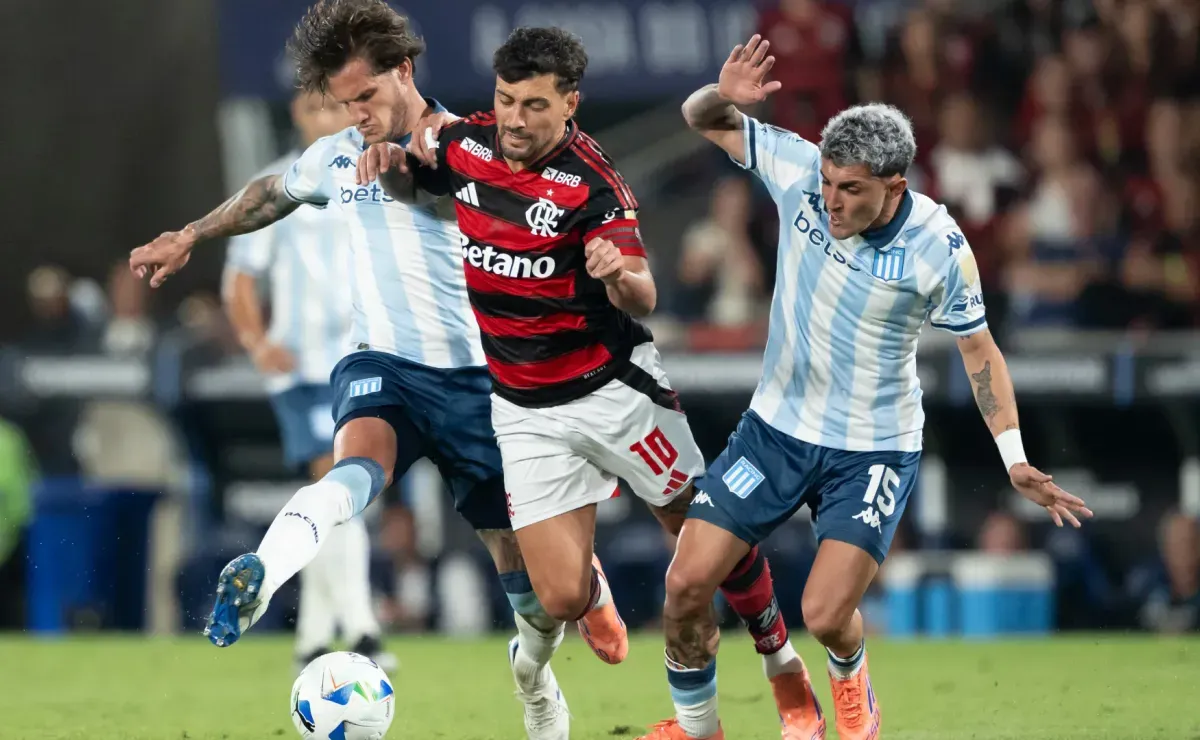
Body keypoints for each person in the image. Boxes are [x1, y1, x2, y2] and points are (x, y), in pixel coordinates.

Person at [128, 3, 618, 736]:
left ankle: (535, 674)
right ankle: (263, 576)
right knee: (352, 470)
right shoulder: (337, 155)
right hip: (384, 365)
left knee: (542, 596)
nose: (356, 114)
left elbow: (524, 212)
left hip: (487, 387)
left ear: (404, 73)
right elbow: (271, 195)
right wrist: (192, 234)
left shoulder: (477, 148)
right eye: (342, 102)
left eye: (366, 97)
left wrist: (415, 174)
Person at [360, 26, 814, 740]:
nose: (515, 119)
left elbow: (644, 294)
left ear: (570, 103)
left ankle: (779, 656)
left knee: (705, 542)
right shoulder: (467, 144)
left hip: (615, 393)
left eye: (534, 105)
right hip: (524, 409)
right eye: (507, 100)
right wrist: (388, 162)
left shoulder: (596, 186)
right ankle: (591, 587)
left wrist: (618, 276)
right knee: (561, 597)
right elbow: (418, 180)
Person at [639, 35, 1095, 740]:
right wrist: (723, 93)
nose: (830, 200)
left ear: (894, 188)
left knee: (824, 614)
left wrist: (1013, 456)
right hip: (778, 427)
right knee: (685, 583)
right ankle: (699, 731)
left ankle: (851, 679)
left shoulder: (938, 247)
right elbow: (701, 117)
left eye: (850, 189)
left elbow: (980, 349)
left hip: (872, 447)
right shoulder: (795, 171)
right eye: (826, 182)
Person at [221, 84, 396, 673]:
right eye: (312, 106)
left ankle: (313, 639)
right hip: (303, 370)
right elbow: (241, 278)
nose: (323, 116)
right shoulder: (281, 183)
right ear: (295, 112)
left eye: (333, 106)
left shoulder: (370, 175)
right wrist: (257, 342)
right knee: (335, 486)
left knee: (339, 499)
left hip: (361, 357)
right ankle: (364, 630)